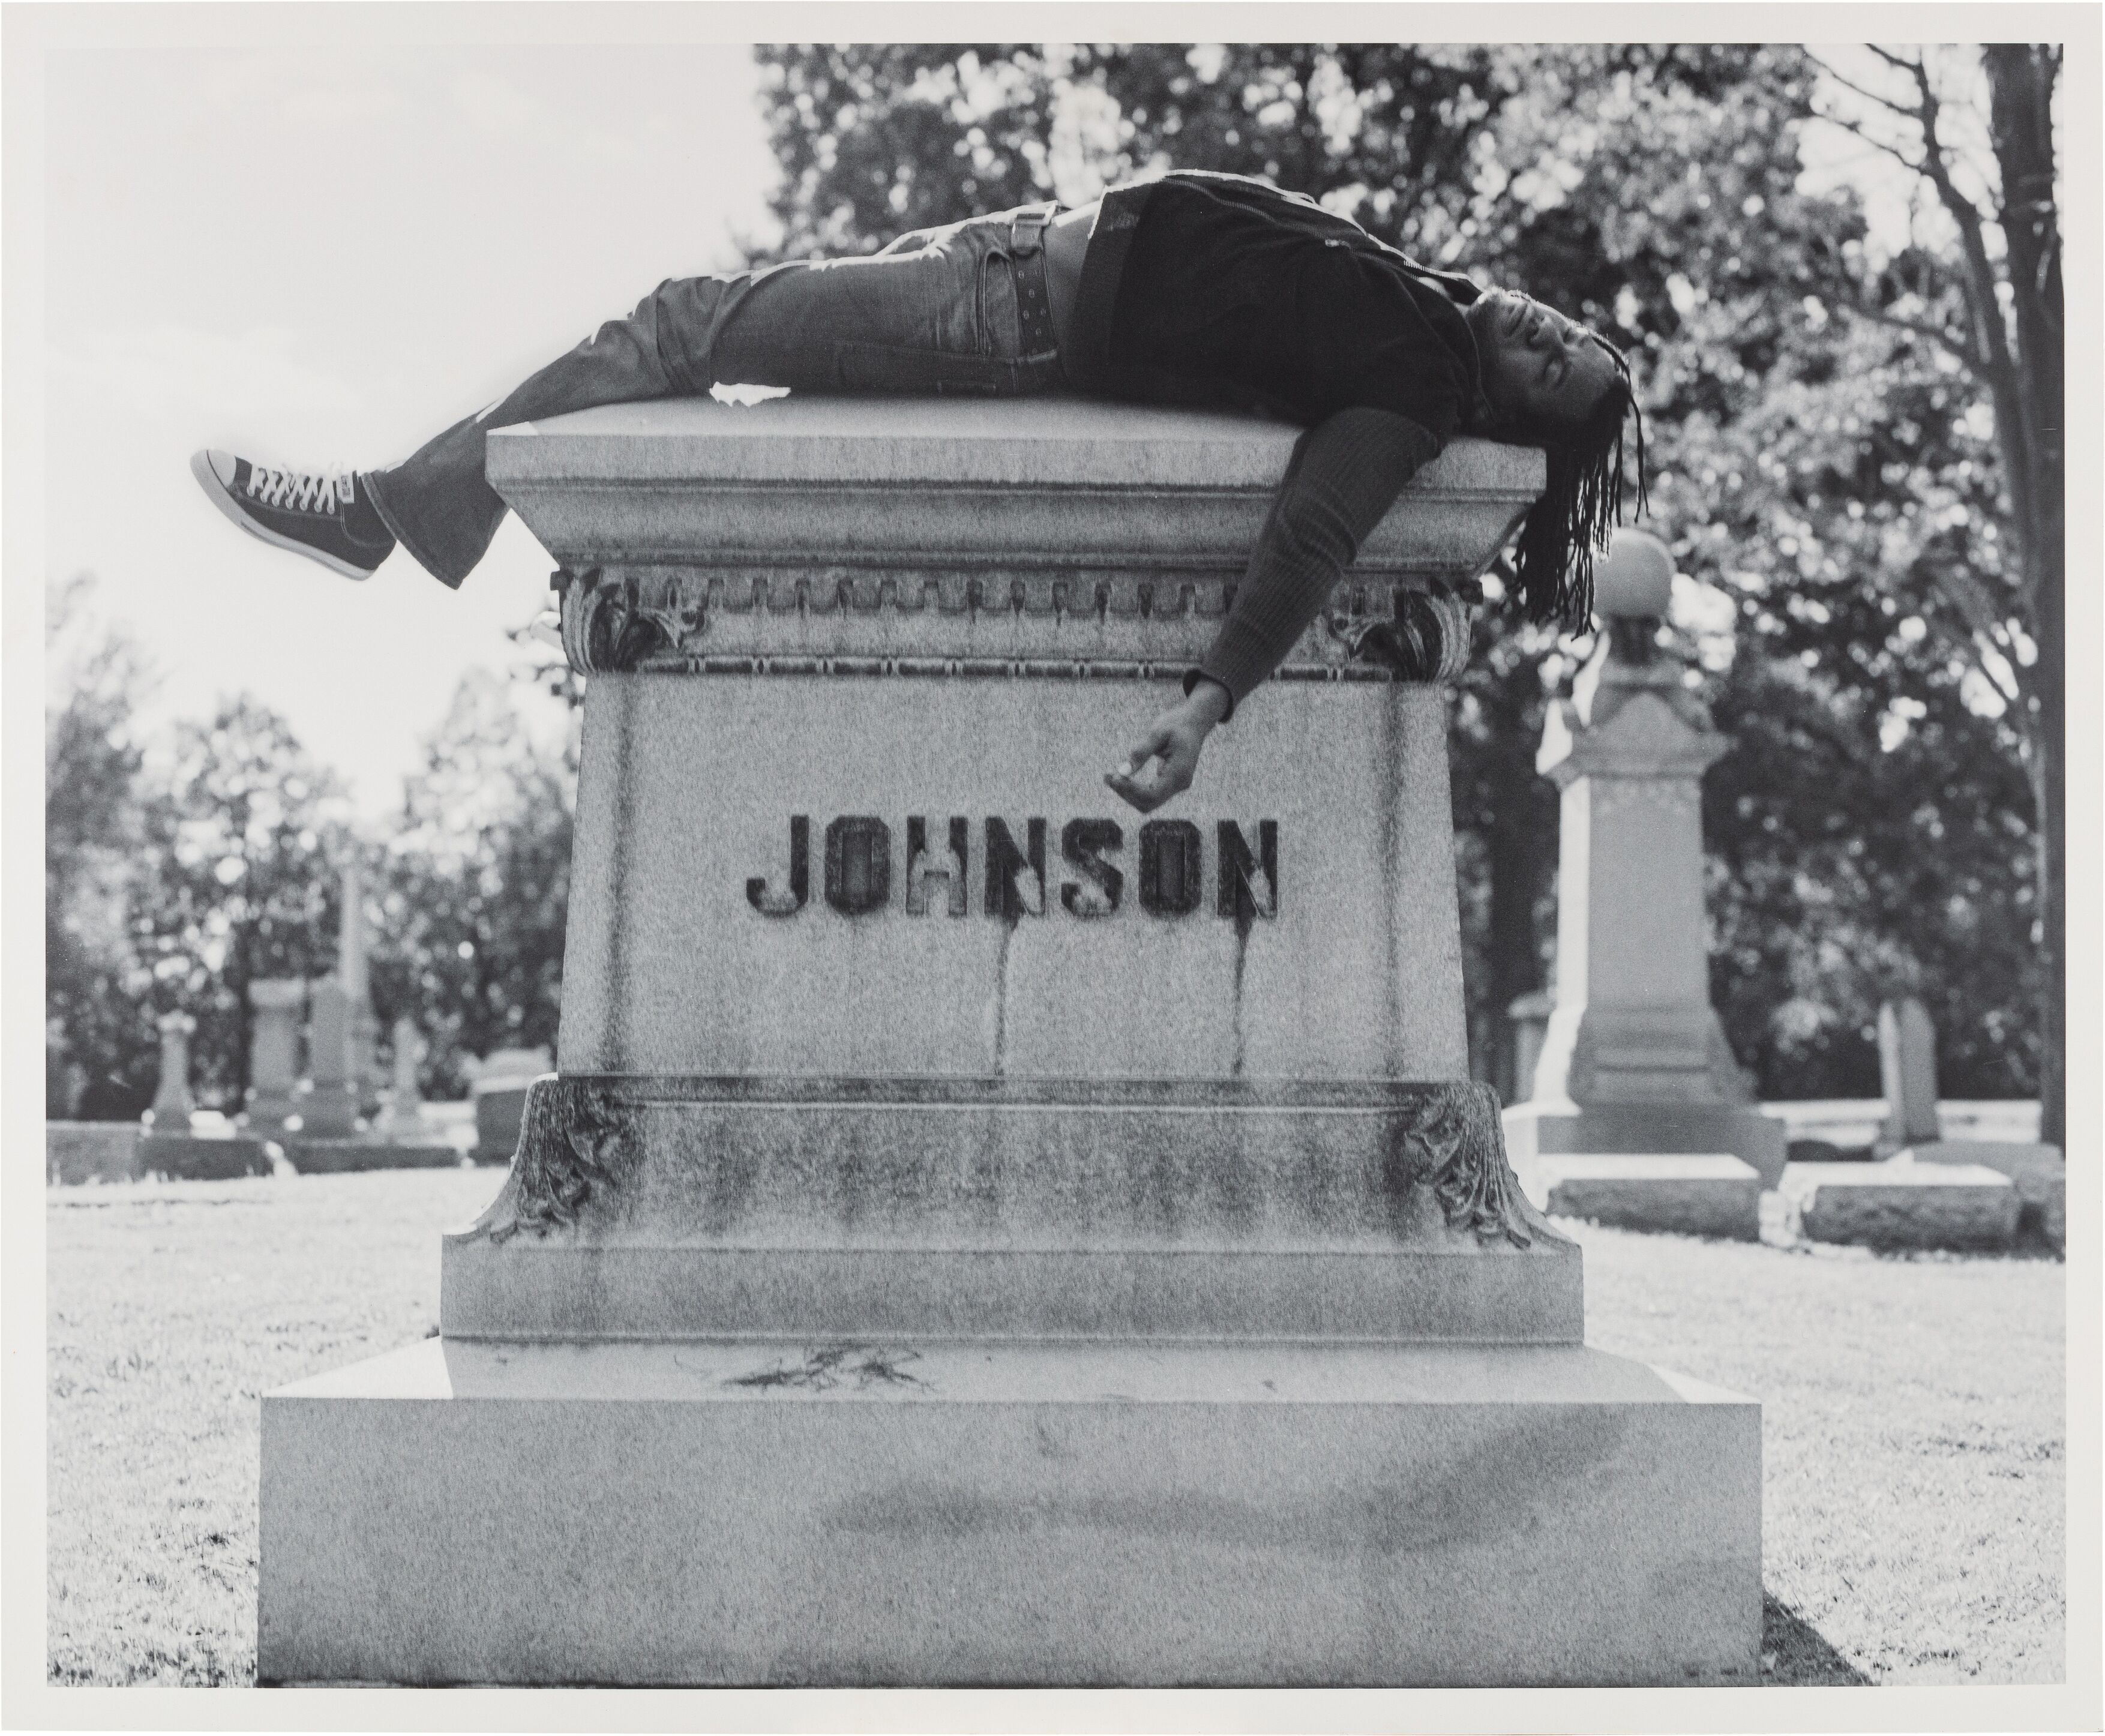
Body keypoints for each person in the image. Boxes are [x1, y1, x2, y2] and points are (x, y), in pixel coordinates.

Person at [191, 169, 1643, 813]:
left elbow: (1314, 534)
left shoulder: (1413, 391)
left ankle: (390, 514)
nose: (1543, 340)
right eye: (1564, 331)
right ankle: (401, 511)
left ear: (1513, 418)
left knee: (688, 324)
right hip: (1011, 248)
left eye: (1551, 375)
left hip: (1009, 320)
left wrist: (1204, 708)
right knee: (702, 329)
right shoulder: (1429, 300)